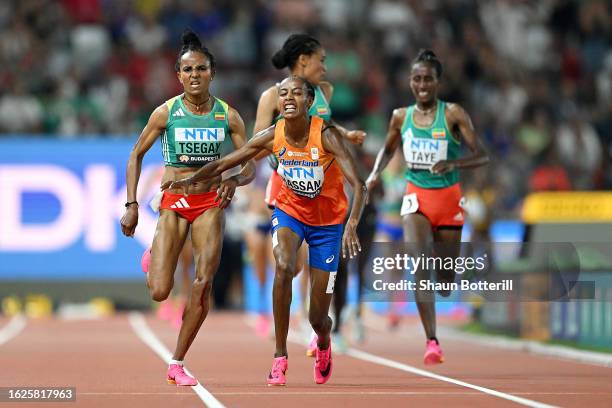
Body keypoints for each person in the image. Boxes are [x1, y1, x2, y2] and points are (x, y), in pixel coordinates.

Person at [163, 76, 367, 386]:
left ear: (309, 102)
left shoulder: (326, 135)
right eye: (283, 93)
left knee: (317, 318)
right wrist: (188, 183)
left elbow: (360, 185)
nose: (287, 98)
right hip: (289, 212)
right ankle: (279, 357)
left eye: (296, 93)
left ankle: (323, 342)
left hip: (328, 224)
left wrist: (351, 225)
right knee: (283, 265)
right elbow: (226, 162)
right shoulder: (273, 135)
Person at [120, 30, 255, 386]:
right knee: (160, 291)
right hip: (174, 203)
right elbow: (136, 154)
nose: (194, 75)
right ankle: (154, 254)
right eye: (187, 70)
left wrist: (233, 180)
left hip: (210, 203)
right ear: (178, 76)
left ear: (213, 73)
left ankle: (177, 361)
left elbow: (250, 165)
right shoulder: (166, 113)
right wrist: (132, 205)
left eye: (201, 69)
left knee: (202, 282)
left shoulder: (229, 116)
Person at [366, 49, 488, 365]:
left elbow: (482, 155)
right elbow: (387, 150)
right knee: (419, 265)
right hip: (416, 198)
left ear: (438, 82)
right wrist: (373, 176)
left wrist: (453, 162)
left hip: (448, 201)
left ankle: (443, 275)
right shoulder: (400, 117)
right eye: (417, 78)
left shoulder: (453, 114)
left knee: (445, 282)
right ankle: (432, 340)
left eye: (428, 79)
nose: (422, 85)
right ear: (410, 81)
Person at [253, 33, 366, 354]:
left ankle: (311, 317)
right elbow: (258, 144)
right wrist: (280, 149)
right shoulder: (272, 96)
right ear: (304, 59)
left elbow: (322, 125)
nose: (325, 67)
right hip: (289, 184)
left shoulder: (325, 92)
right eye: (322, 59)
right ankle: (301, 317)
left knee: (315, 262)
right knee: (292, 261)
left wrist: (345, 134)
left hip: (327, 189)